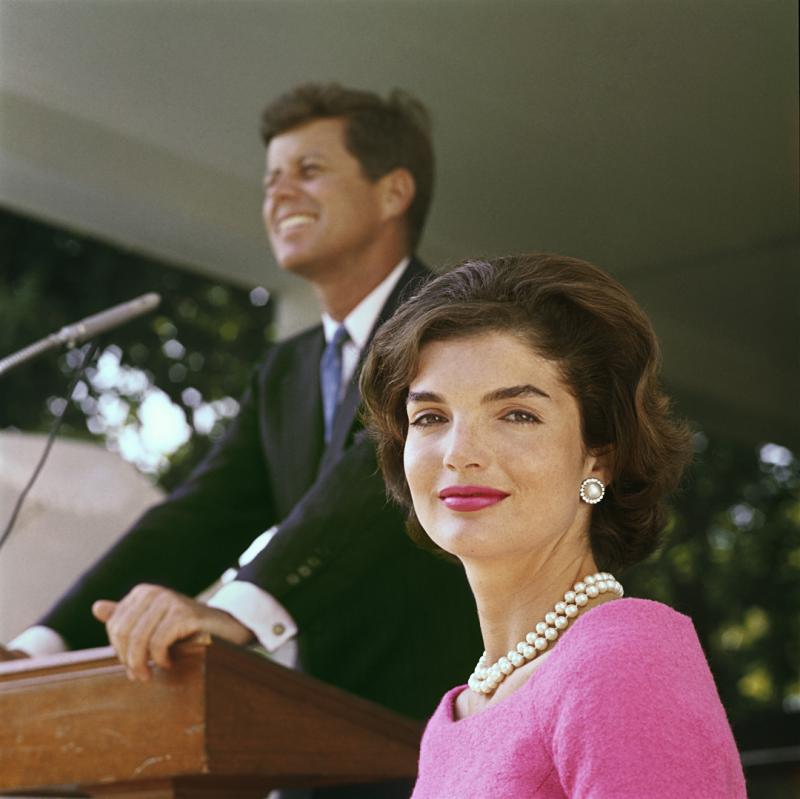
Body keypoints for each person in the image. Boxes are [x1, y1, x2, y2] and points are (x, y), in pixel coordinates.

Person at [2, 83, 481, 769]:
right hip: (312, 745)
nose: (279, 194)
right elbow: (198, 516)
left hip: (436, 732)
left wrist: (239, 609)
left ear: (393, 192)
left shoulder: (452, 323)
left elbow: (376, 471)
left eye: (309, 171)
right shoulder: (287, 369)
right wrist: (42, 645)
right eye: (270, 180)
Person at [360, 253, 748, 798]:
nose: (459, 453)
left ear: (599, 458)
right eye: (431, 417)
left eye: (517, 414)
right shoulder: (454, 720)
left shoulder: (622, 659)